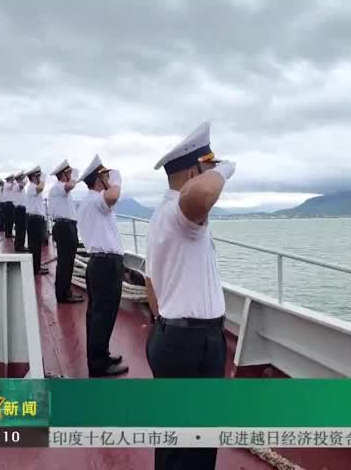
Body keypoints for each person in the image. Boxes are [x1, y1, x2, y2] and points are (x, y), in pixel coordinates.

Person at [144, 121, 235, 470]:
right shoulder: (181, 212)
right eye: (207, 168)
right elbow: (200, 196)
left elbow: (150, 280)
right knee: (196, 445)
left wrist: (164, 324)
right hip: (193, 346)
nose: (214, 174)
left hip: (172, 336)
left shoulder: (160, 215)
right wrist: (225, 169)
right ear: (194, 173)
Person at [76, 154, 127, 377]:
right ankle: (98, 364)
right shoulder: (95, 199)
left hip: (101, 264)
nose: (109, 179)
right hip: (105, 265)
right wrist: (116, 180)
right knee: (102, 316)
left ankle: (101, 355)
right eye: (105, 176)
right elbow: (114, 195)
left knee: (98, 315)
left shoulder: (91, 202)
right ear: (99, 180)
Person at [49, 159, 84, 304]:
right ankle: (63, 294)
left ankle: (65, 292)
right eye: (69, 172)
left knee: (68, 261)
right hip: (64, 228)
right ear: (64, 174)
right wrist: (75, 177)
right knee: (65, 262)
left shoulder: (62, 190)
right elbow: (70, 185)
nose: (71, 175)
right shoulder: (58, 187)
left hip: (68, 226)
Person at [25, 166, 49, 275]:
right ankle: (35, 268)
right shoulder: (32, 187)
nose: (40, 178)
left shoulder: (33, 187)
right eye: (38, 176)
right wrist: (43, 179)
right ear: (34, 177)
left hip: (37, 219)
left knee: (37, 245)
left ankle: (36, 266)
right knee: (34, 245)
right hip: (34, 220)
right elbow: (40, 188)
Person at [13, 171, 28, 253]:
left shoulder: (18, 187)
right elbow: (22, 184)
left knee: (22, 229)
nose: (23, 179)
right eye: (22, 178)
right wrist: (26, 177)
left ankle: (20, 245)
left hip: (21, 209)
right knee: (20, 229)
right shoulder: (16, 186)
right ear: (19, 178)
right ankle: (19, 246)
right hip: (19, 210)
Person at [3, 174, 16, 238]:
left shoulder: (7, 185)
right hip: (8, 204)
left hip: (10, 204)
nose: (13, 180)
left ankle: (9, 233)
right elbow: (13, 185)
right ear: (10, 179)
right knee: (9, 220)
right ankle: (8, 233)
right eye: (12, 179)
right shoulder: (7, 184)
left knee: (10, 220)